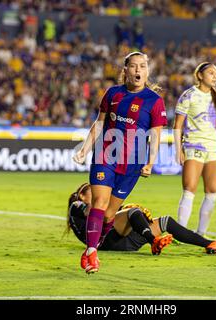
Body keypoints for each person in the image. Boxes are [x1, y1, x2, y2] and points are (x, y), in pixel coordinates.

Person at [73, 52, 167, 273]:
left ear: (147, 71)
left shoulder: (154, 101)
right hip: (105, 155)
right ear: (125, 70)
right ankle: (91, 253)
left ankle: (95, 246)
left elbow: (155, 135)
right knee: (99, 203)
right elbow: (99, 123)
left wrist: (150, 162)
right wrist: (85, 149)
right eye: (133, 66)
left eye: (142, 66)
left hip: (133, 163)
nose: (137, 70)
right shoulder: (113, 93)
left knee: (108, 214)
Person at [65, 183, 216, 262]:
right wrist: (125, 211)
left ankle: (210, 244)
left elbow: (109, 214)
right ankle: (153, 241)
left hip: (124, 241)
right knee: (133, 212)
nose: (99, 193)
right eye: (93, 191)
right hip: (105, 241)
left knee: (165, 222)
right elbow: (95, 211)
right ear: (81, 195)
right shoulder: (77, 205)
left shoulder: (99, 205)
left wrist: (130, 215)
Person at [173, 62, 216, 236]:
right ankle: (180, 233)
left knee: (212, 191)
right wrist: (179, 150)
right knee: (189, 188)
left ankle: (201, 233)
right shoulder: (188, 95)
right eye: (210, 73)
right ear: (200, 75)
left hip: (214, 148)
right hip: (193, 145)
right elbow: (177, 125)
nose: (215, 76)